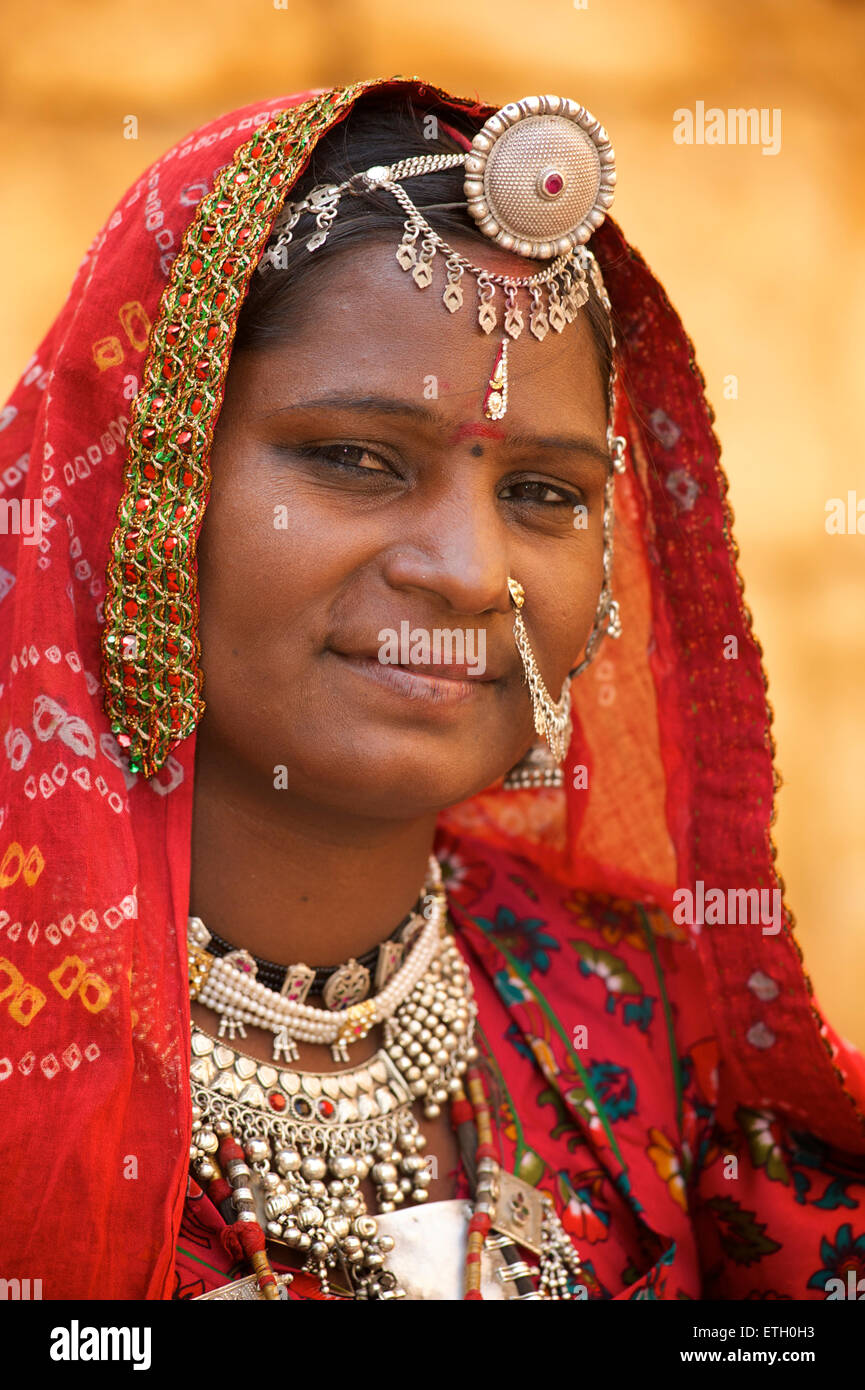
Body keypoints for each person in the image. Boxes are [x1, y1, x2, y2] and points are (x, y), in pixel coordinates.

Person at [1, 76, 863, 1303]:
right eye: (356, 459)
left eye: (543, 495)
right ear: (148, 482)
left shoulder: (648, 1015)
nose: (466, 571)